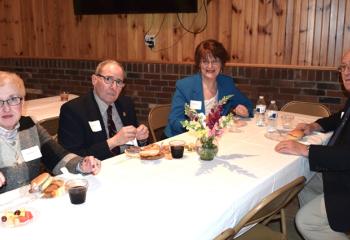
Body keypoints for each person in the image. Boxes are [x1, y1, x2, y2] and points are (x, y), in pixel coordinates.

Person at [275, 51, 350, 239]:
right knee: (302, 177)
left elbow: (346, 156)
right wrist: (314, 125)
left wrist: (305, 149)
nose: (347, 73)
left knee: (305, 221)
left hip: (346, 182)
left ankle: (320, 227)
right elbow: (340, 118)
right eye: (344, 67)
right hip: (340, 173)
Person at [0, 71, 101, 193]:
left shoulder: (30, 126)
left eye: (13, 99)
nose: (6, 108)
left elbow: (58, 157)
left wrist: (81, 164)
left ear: (22, 102)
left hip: (30, 205)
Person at [58, 60, 149, 160]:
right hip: (95, 170)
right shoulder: (74, 110)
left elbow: (136, 144)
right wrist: (113, 142)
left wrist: (141, 139)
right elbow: (71, 158)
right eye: (108, 79)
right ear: (94, 80)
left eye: (118, 82)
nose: (113, 87)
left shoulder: (126, 104)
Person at [164, 39, 253, 138]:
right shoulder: (185, 86)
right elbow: (174, 120)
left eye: (215, 61)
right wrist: (195, 125)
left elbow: (248, 105)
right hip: (181, 140)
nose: (210, 66)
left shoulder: (227, 84)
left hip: (213, 139)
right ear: (199, 64)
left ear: (222, 64)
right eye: (205, 61)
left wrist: (244, 111)